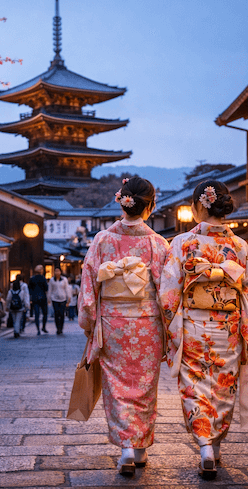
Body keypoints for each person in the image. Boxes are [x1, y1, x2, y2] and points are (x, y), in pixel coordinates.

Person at [160, 180, 248, 480]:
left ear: (199, 206)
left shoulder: (182, 243)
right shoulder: (239, 245)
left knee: (194, 386)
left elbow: (169, 292)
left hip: (194, 328)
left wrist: (165, 326)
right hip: (229, 327)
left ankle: (205, 447)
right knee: (223, 387)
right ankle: (215, 445)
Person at [78, 176, 169, 476]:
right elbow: (167, 295)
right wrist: (170, 329)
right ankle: (138, 448)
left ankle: (126, 449)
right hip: (147, 326)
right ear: (150, 206)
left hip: (113, 324)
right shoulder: (158, 244)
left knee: (117, 387)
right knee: (144, 387)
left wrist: (91, 325)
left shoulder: (102, 240)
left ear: (121, 201)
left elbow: (89, 289)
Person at [48, 267, 71, 335]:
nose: (57, 272)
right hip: (54, 299)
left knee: (61, 314)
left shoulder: (64, 279)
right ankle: (57, 328)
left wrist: (68, 297)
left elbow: (67, 289)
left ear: (60, 272)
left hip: (63, 299)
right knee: (56, 314)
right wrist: (49, 298)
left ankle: (61, 328)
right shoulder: (52, 280)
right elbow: (50, 290)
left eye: (58, 271)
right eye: (56, 271)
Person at [29, 265, 49, 335]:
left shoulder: (32, 278)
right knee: (45, 313)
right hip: (43, 297)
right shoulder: (43, 278)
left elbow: (30, 289)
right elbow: (46, 288)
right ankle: (43, 327)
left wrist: (31, 298)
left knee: (37, 314)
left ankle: (38, 329)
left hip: (35, 298)